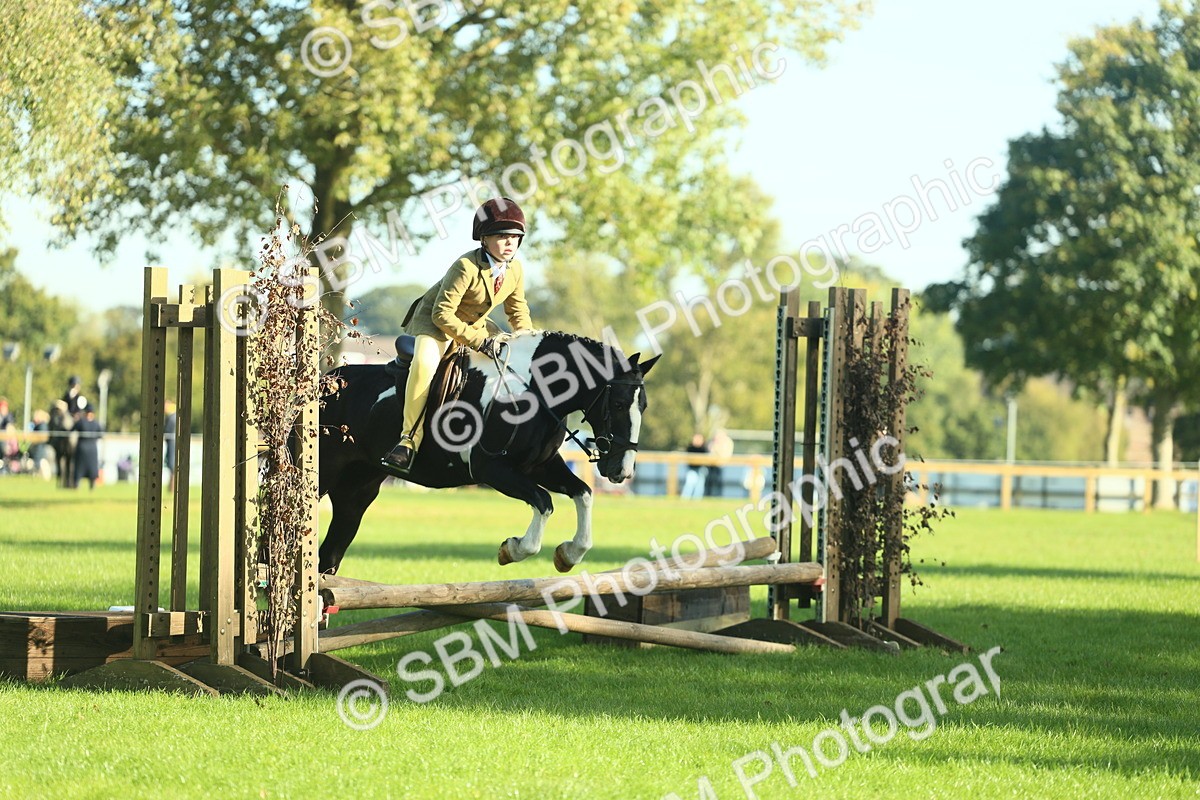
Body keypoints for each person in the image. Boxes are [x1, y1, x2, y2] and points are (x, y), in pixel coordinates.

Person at [380, 197, 533, 476]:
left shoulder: (516, 269)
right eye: (502, 236)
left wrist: (527, 341)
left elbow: (517, 311)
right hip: (435, 325)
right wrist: (479, 342)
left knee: (509, 357)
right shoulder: (465, 266)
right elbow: (442, 314)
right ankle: (408, 440)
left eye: (514, 237)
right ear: (484, 239)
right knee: (424, 365)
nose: (509, 242)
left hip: (476, 325)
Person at [72, 400, 103, 490]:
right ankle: (92, 484)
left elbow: (72, 429)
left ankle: (77, 484)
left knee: (79, 467)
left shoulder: (81, 422)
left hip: (81, 447)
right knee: (92, 468)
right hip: (92, 448)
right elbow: (101, 435)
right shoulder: (96, 424)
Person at [681, 433, 709, 499]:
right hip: (692, 469)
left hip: (701, 468)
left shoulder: (704, 449)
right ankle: (685, 499)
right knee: (689, 484)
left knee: (699, 485)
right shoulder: (690, 448)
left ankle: (697, 499)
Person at [164, 401, 177, 491]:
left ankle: (172, 487)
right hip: (171, 441)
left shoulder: (172, 417)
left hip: (172, 442)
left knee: (172, 464)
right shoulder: (173, 416)